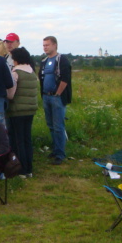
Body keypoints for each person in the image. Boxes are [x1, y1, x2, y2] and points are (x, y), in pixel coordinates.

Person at [38, 36, 72, 165]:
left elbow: (65, 78)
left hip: (57, 97)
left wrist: (58, 94)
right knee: (51, 125)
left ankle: (60, 154)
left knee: (58, 127)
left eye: (47, 45)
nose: (45, 47)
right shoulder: (44, 61)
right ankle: (55, 149)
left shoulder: (61, 60)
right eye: (44, 45)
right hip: (46, 96)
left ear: (55, 45)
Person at [6, 47, 39, 178]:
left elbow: (10, 95)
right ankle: (29, 168)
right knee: (27, 139)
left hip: (17, 111)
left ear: (16, 59)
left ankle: (21, 169)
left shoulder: (16, 73)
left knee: (18, 140)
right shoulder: (32, 72)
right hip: (30, 110)